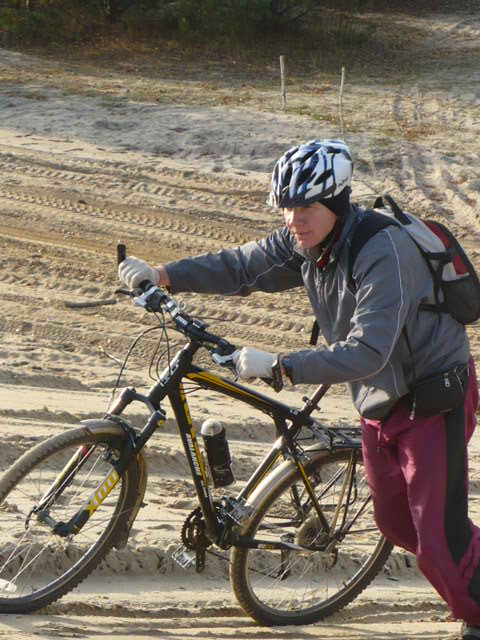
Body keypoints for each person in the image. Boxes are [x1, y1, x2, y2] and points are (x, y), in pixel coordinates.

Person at [118, 139, 480, 639]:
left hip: (433, 398)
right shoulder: (307, 242)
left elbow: (368, 351)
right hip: (379, 400)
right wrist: (163, 274)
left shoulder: (384, 251)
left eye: (305, 206)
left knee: (439, 538)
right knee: (397, 524)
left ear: (336, 202)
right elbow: (241, 266)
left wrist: (282, 366)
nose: (293, 218)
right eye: (286, 206)